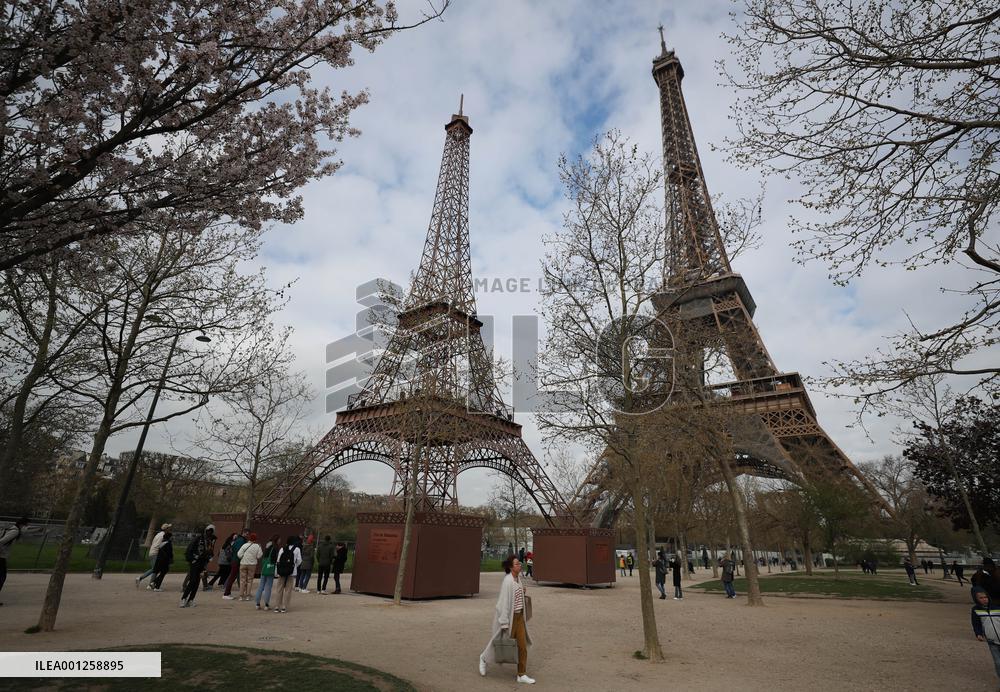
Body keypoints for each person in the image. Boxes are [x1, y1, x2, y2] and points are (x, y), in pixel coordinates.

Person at [479, 556, 534, 684]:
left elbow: (516, 598)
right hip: (509, 618)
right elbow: (503, 603)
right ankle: (484, 658)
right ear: (510, 567)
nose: (519, 565)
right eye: (516, 564)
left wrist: (521, 590)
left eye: (519, 563)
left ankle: (521, 674)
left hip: (519, 617)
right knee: (500, 643)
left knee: (522, 646)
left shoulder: (518, 579)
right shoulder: (507, 581)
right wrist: (504, 622)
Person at [181, 524, 215, 608]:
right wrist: (191, 560)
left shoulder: (210, 542)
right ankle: (184, 598)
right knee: (193, 580)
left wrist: (209, 557)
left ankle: (191, 600)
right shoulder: (198, 539)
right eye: (208, 531)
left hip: (203, 564)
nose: (209, 533)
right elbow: (189, 550)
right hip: (195, 562)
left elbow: (209, 552)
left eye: (211, 532)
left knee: (196, 582)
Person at [971, 586, 1000, 683]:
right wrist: (978, 633)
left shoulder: (997, 607)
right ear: (976, 599)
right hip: (992, 641)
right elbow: (976, 624)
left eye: (985, 597)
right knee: (998, 663)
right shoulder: (975, 610)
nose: (984, 600)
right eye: (981, 598)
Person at [0, 516, 29, 606]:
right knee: (1, 577)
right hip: (0, 556)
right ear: (22, 525)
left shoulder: (12, 529)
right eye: (26, 525)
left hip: (2, 556)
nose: (26, 528)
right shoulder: (15, 531)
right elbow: (1, 541)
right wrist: (2, 552)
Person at [136, 523, 171, 588]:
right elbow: (158, 545)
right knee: (155, 569)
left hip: (152, 552)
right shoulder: (163, 535)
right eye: (169, 528)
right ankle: (146, 581)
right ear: (166, 529)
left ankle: (149, 582)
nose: (170, 529)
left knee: (155, 569)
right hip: (155, 553)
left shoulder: (158, 534)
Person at [273, 535, 302, 613]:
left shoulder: (282, 549)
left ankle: (277, 606)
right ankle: (284, 607)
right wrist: (294, 566)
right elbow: (299, 560)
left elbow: (278, 560)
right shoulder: (297, 549)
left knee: (279, 588)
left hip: (281, 571)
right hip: (291, 571)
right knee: (288, 589)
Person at [222, 528, 249, 599]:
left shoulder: (239, 540)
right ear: (244, 533)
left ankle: (228, 593)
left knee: (233, 577)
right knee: (232, 577)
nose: (248, 535)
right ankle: (226, 594)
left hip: (235, 560)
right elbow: (239, 552)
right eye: (247, 533)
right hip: (237, 561)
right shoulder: (241, 541)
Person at [255, 535, 280, 610]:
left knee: (261, 586)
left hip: (264, 567)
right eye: (279, 539)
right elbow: (274, 559)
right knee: (268, 587)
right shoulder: (275, 548)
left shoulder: (267, 546)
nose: (280, 541)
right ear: (276, 540)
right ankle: (266, 604)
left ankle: (257, 603)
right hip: (270, 568)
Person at [237, 532, 263, 602]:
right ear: (256, 539)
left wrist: (243, 557)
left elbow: (239, 554)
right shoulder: (257, 546)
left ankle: (241, 596)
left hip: (243, 563)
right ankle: (248, 596)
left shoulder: (244, 545)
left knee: (242, 580)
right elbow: (259, 556)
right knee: (249, 580)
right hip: (252, 564)